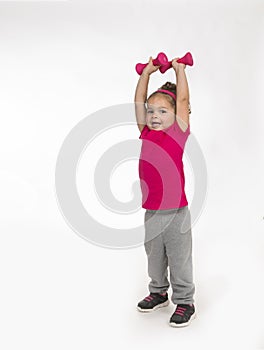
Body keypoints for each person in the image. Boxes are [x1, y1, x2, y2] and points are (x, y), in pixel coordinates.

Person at [134, 56, 196, 327]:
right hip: (152, 211)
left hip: (176, 212)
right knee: (154, 255)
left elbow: (182, 101)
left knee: (179, 258)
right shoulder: (146, 132)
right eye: (152, 111)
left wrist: (180, 70)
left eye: (162, 111)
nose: (155, 116)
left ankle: (185, 300)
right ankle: (158, 291)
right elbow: (138, 102)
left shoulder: (177, 133)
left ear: (178, 115)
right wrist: (146, 73)